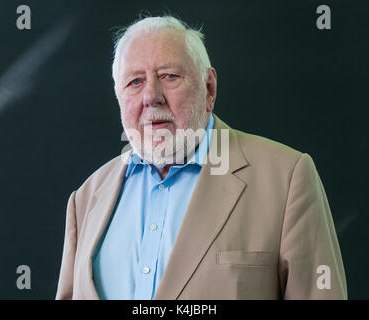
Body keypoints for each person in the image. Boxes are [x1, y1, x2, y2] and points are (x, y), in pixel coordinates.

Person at [56, 15, 347, 300]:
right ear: (118, 95)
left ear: (209, 88)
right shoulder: (86, 199)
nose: (151, 96)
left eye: (169, 76)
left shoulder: (286, 179)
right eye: (134, 82)